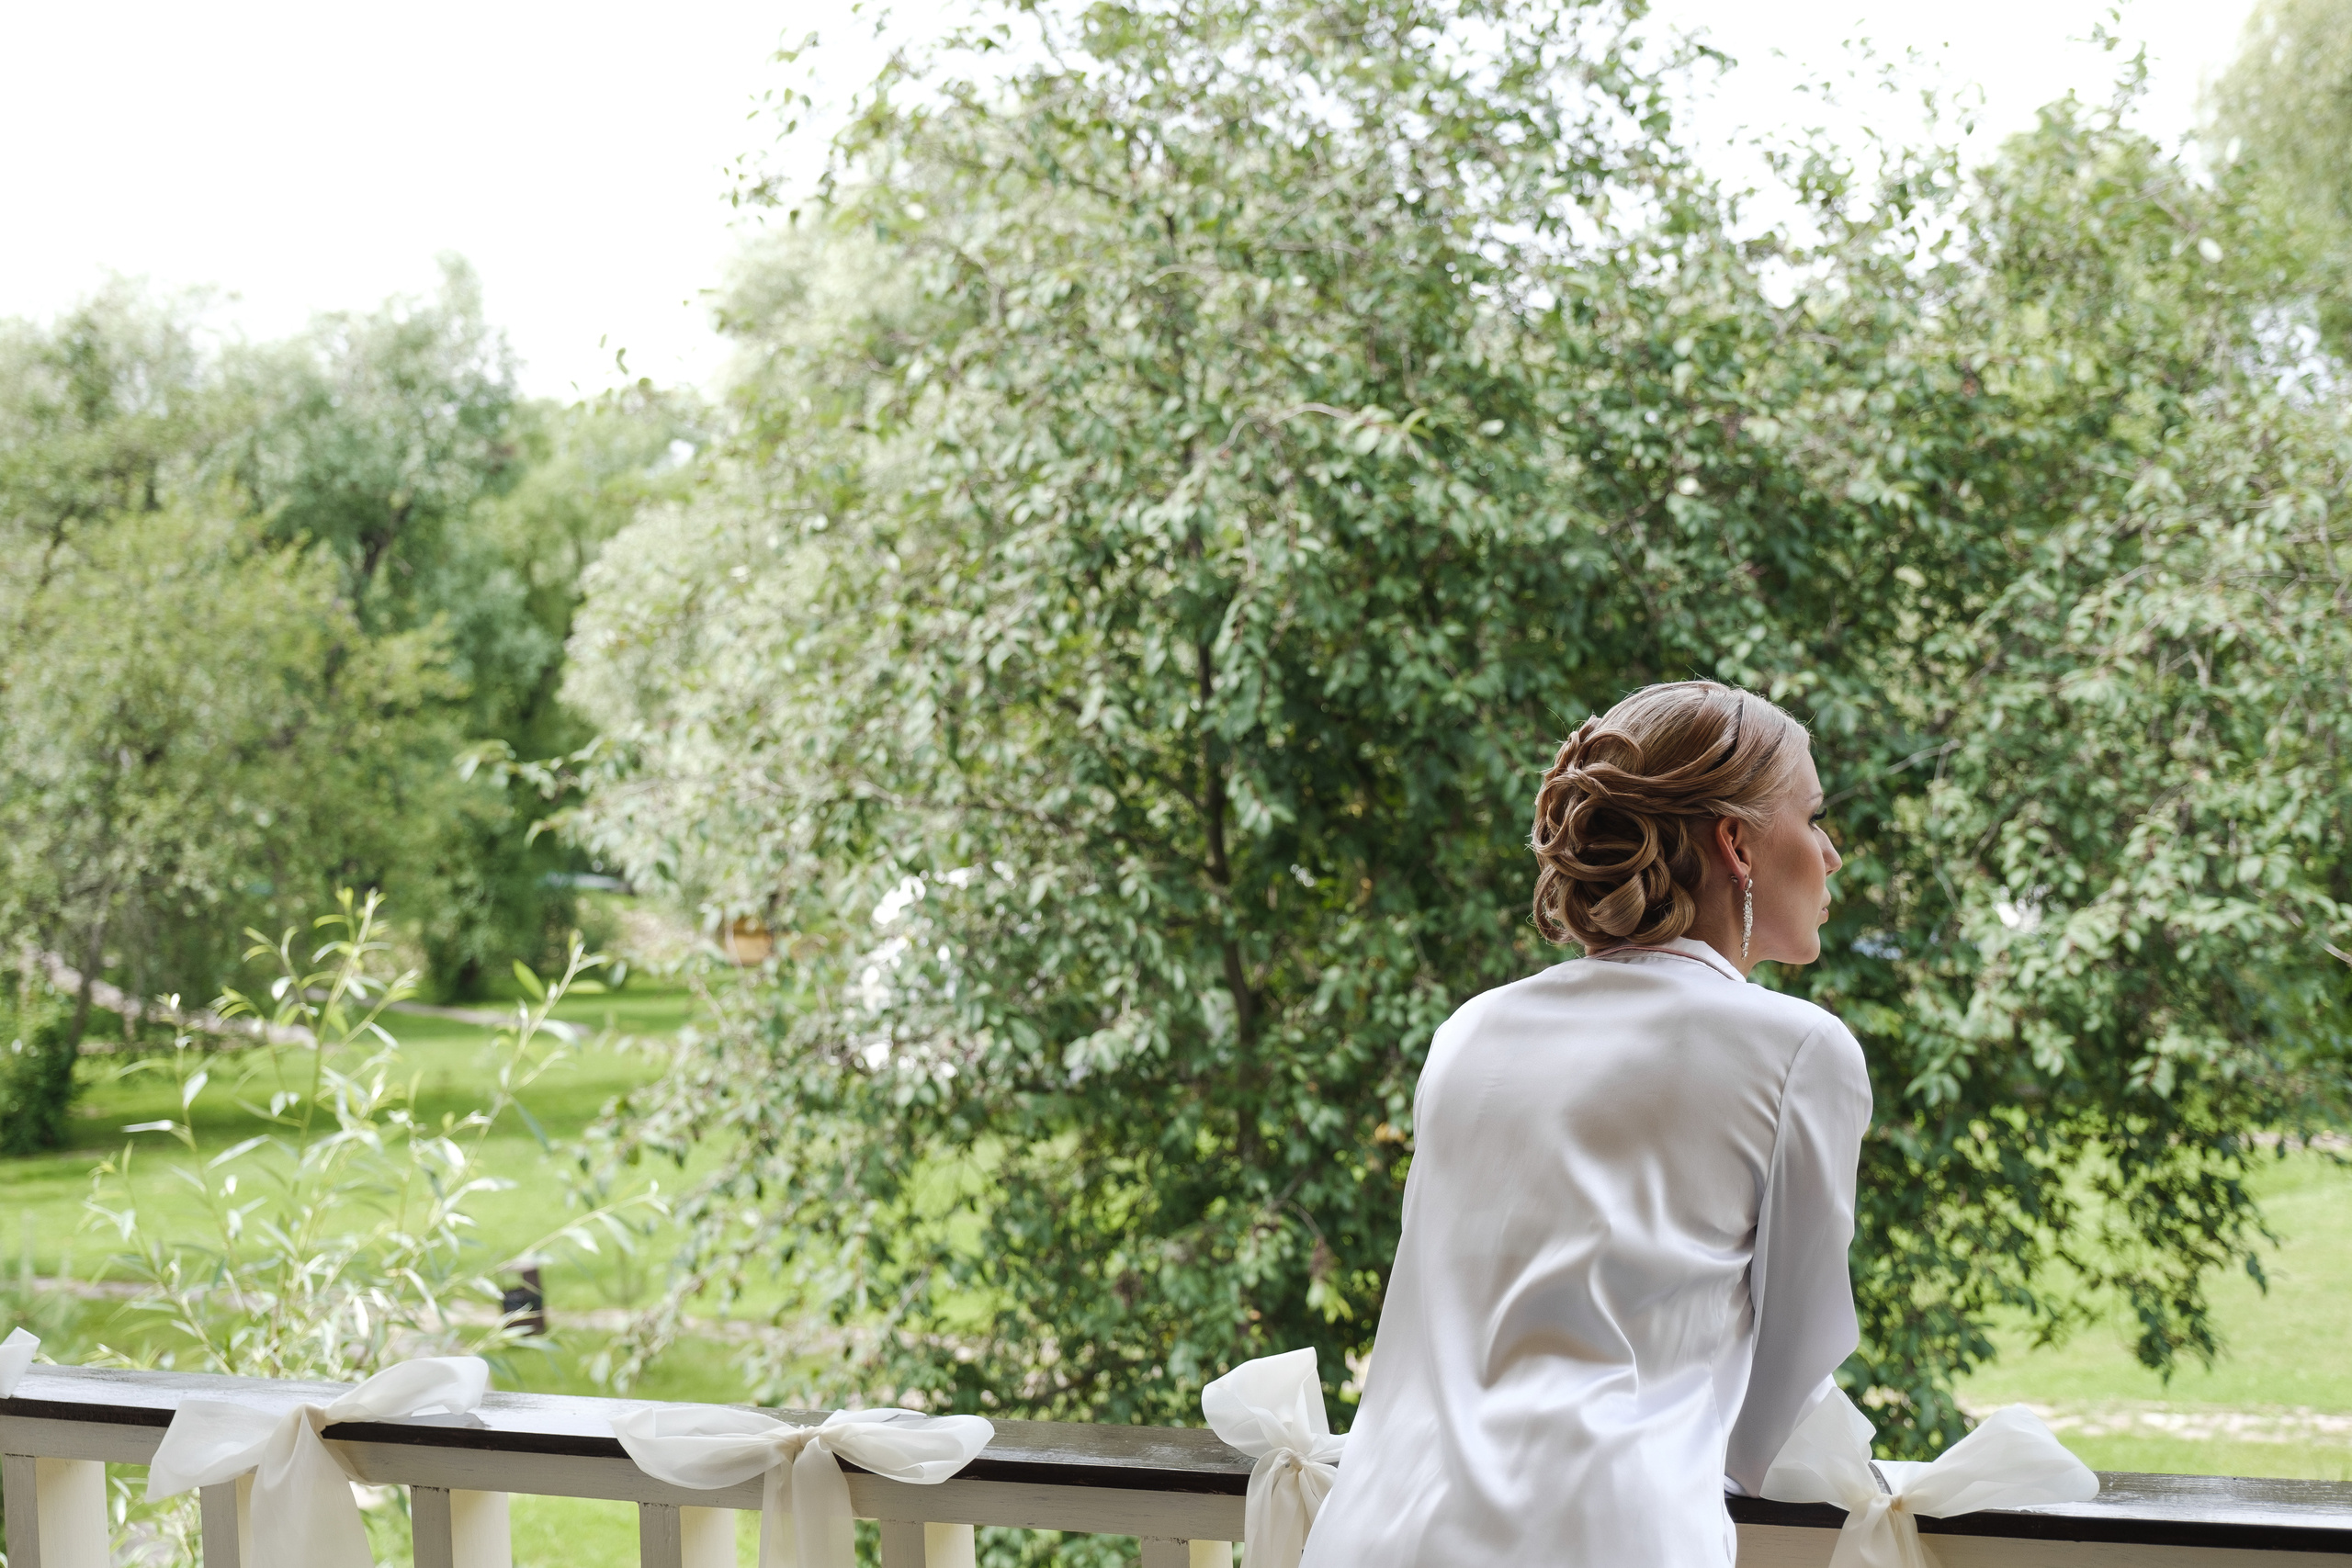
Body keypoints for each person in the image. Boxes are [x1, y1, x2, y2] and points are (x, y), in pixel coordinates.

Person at [1300, 681, 1871, 1566]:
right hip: (1604, 1535)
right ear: (1737, 843)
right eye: (1813, 814)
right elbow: (1779, 1404)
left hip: (1377, 1527)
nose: (1831, 854)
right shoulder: (1799, 1049)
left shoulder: (1470, 1030)